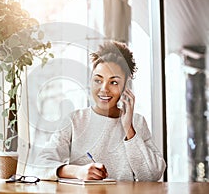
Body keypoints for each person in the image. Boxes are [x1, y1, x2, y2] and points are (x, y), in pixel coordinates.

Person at [29, 40, 166, 181]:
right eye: (98, 80)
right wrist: (77, 172)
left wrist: (128, 129)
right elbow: (39, 165)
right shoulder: (75, 121)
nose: (104, 89)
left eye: (114, 82)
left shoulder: (137, 122)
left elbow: (152, 174)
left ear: (125, 86)